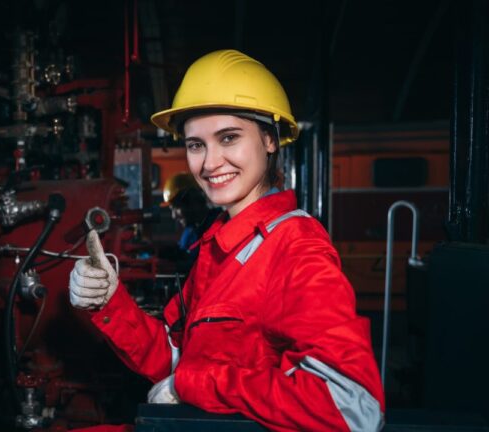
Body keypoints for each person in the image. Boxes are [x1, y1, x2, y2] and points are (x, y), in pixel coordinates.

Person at [69, 50, 384, 431]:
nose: (210, 163)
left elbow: (353, 407)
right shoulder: (218, 246)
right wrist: (109, 302)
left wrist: (194, 386)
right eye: (196, 145)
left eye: (229, 138)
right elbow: (175, 358)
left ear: (269, 140)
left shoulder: (296, 247)